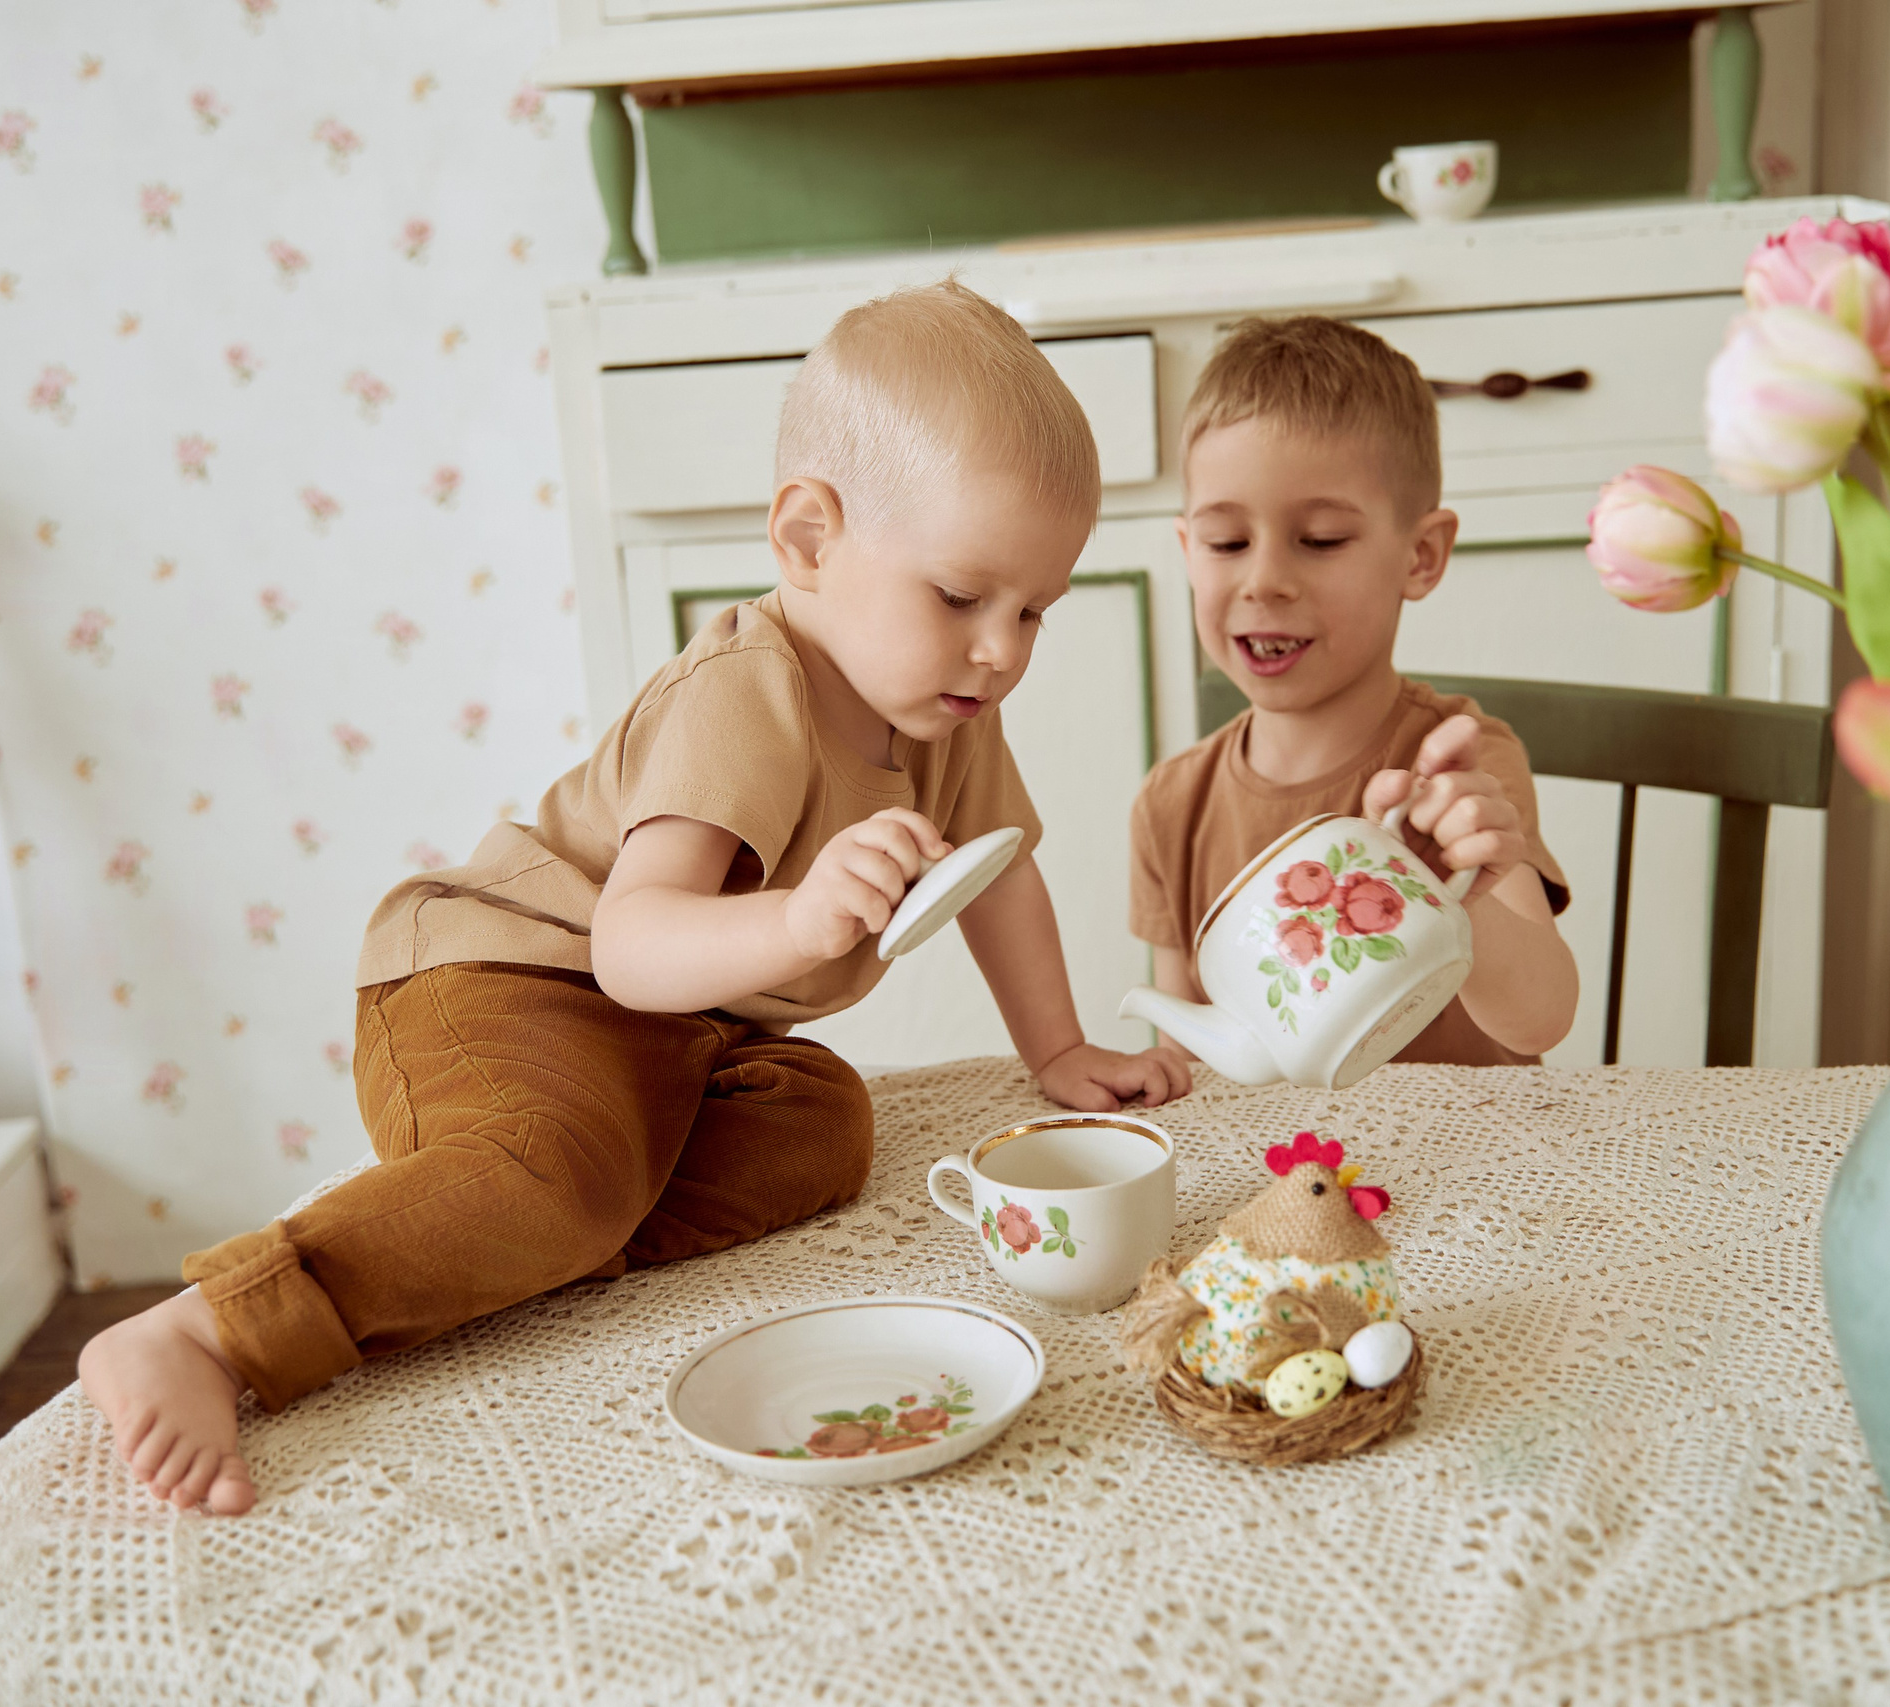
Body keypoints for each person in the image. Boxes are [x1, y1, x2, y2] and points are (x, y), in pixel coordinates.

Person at [79, 280, 1190, 1517]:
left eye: (1033, 610)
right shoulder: (747, 690)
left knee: (822, 1126)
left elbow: (1001, 873)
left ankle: (545, 1229)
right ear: (809, 540)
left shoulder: (945, 708)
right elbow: (632, 946)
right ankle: (206, 1331)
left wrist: (1059, 1049)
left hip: (677, 1037)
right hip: (496, 984)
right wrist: (800, 918)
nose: (1001, 649)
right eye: (960, 597)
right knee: (560, 1170)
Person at [1129, 315, 1579, 1069]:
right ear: (1187, 552)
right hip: (1284, 1180)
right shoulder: (1171, 805)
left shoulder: (1463, 772)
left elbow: (1539, 1024)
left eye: (1322, 539)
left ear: (1421, 555)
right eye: (1227, 543)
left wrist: (1464, 890)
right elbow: (1188, 1062)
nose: (1264, 579)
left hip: (1472, 1169)